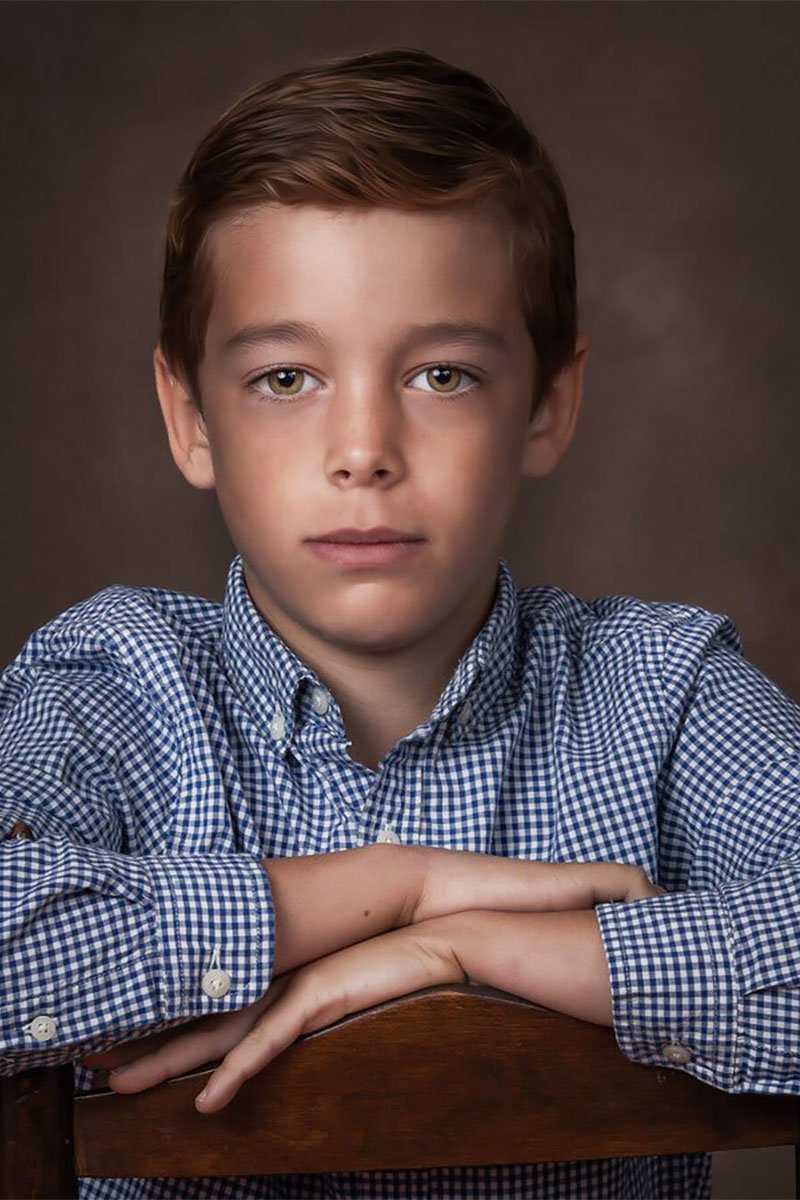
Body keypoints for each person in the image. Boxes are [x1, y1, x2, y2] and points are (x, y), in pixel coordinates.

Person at [1, 44, 797, 1200]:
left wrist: (458, 951)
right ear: (190, 418)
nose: (362, 451)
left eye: (440, 376)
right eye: (286, 378)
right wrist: (398, 887)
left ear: (546, 404)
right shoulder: (114, 686)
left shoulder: (661, 694)